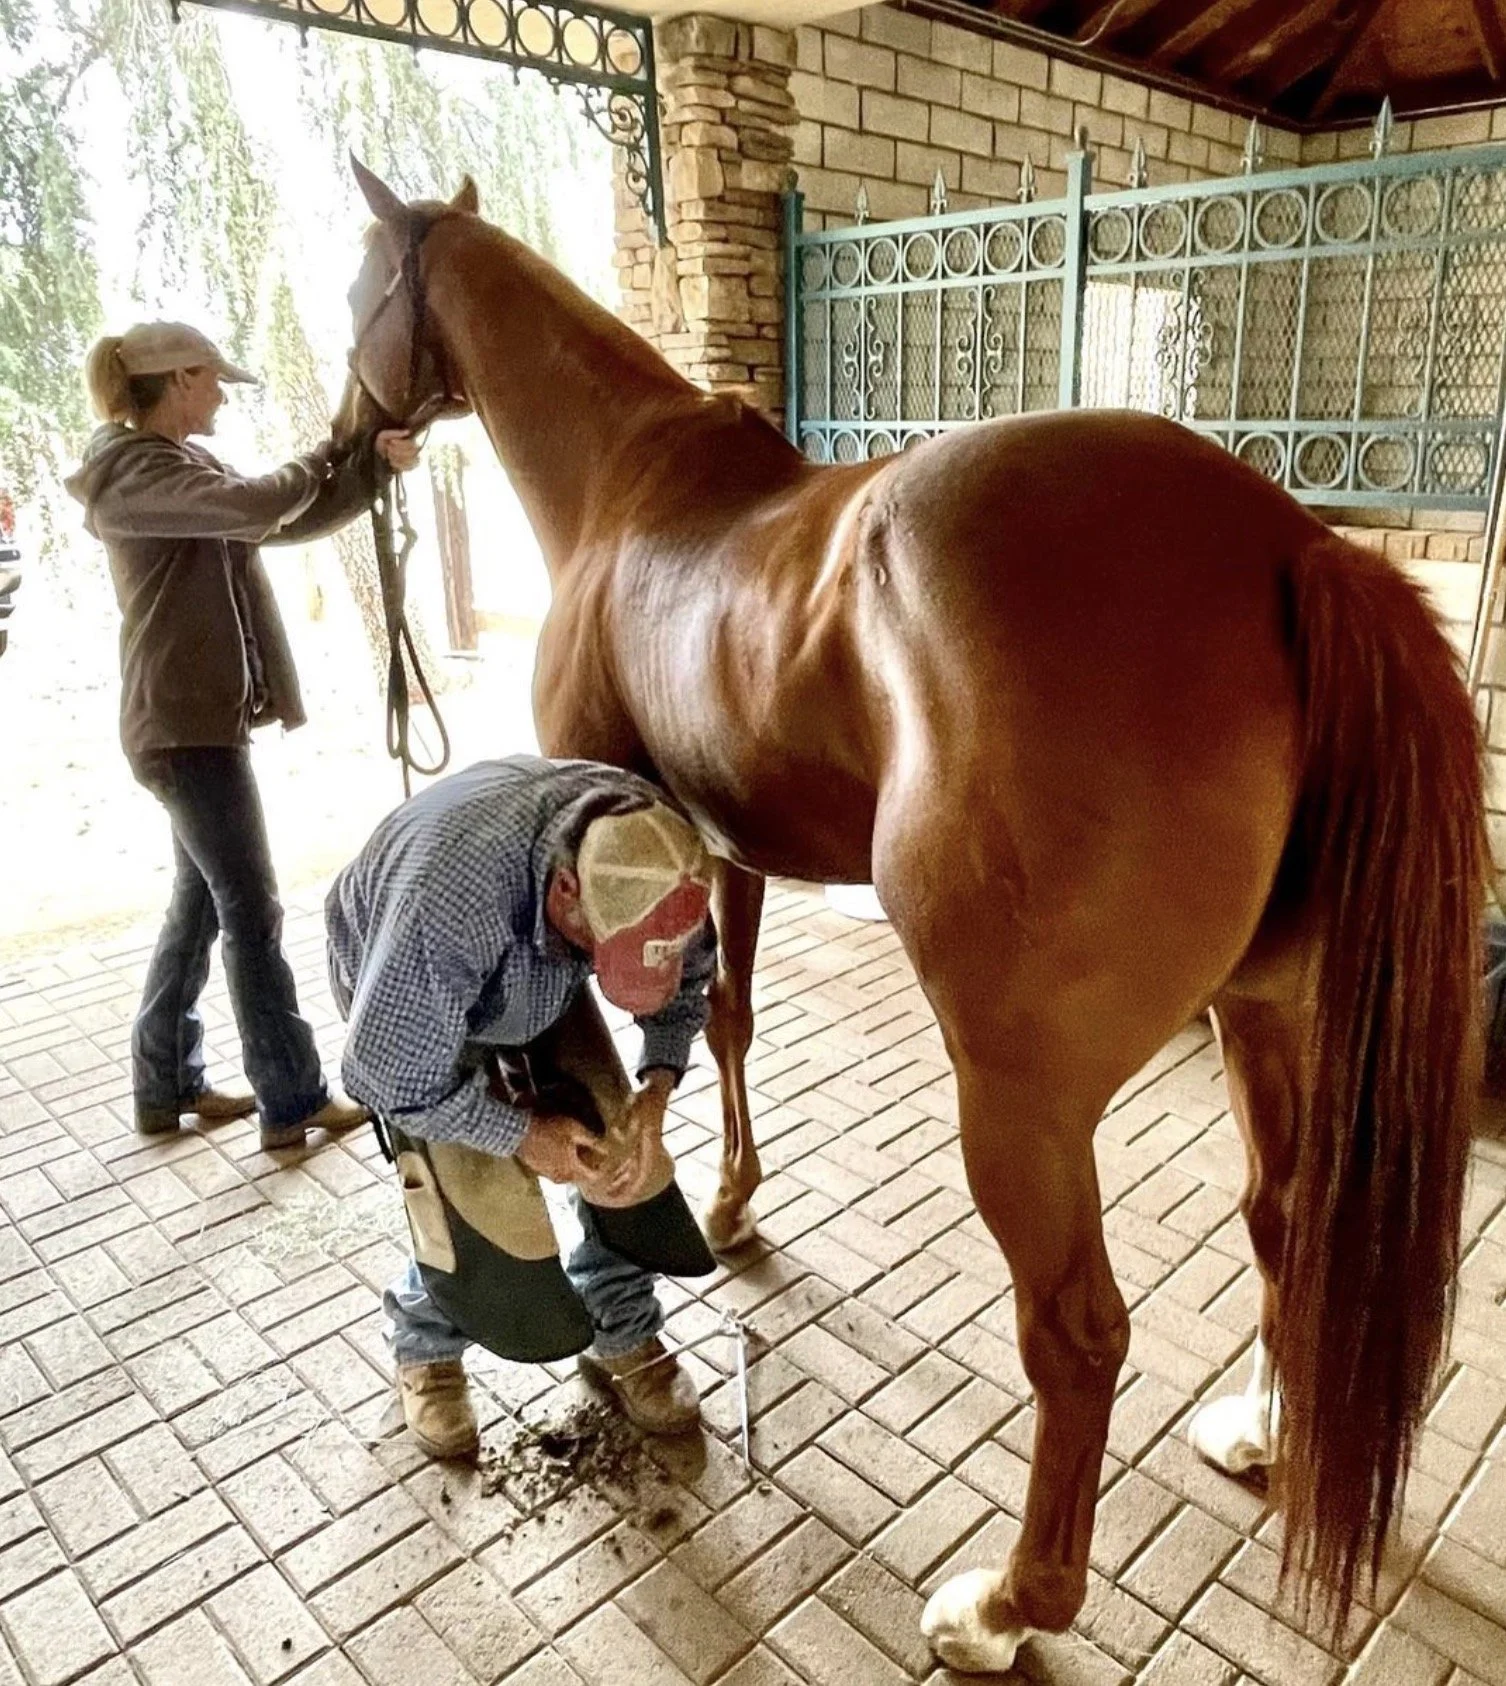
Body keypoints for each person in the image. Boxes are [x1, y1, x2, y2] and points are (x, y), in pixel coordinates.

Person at [65, 321, 419, 1150]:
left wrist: (364, 463)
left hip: (192, 722)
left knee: (198, 910)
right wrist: (334, 443)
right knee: (252, 910)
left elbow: (281, 520)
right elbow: (258, 503)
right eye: (213, 380)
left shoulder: (180, 469)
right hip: (183, 731)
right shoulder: (133, 477)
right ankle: (291, 1100)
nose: (221, 394)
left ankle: (165, 1083)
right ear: (180, 381)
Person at [325, 756, 719, 1459]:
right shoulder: (447, 910)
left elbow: (687, 982)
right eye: (600, 946)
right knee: (468, 1186)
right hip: (412, 999)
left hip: (536, 960)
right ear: (569, 890)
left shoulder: (658, 856)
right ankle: (426, 1346)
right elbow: (384, 1076)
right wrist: (517, 1131)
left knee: (615, 1134)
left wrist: (656, 1089)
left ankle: (620, 1326)